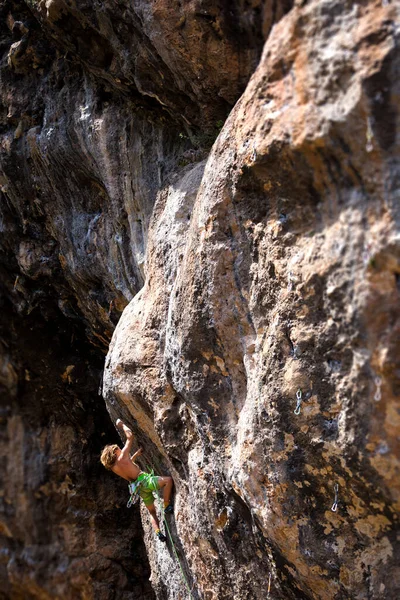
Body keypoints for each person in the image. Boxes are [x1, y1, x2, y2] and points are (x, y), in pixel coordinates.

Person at [100, 419, 173, 542]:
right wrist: (121, 424)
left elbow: (128, 465)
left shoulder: (115, 468)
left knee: (152, 513)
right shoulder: (122, 456)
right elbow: (130, 436)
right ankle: (166, 505)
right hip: (145, 481)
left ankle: (157, 531)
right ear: (114, 452)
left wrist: (136, 455)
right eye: (117, 448)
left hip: (139, 489)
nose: (119, 448)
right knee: (168, 481)